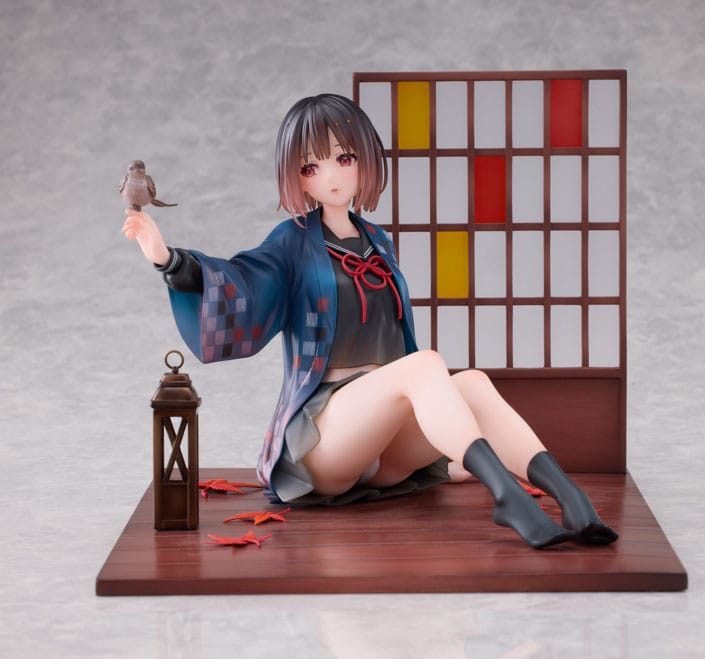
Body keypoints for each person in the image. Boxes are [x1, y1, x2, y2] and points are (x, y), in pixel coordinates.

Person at [122, 93, 617, 548]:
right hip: (325, 439)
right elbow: (241, 283)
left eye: (345, 158)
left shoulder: (378, 240)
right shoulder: (292, 242)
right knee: (425, 365)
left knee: (472, 383)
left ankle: (571, 499)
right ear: (298, 177)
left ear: (365, 159)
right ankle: (506, 495)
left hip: (383, 440)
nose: (332, 177)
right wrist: (168, 259)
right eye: (312, 166)